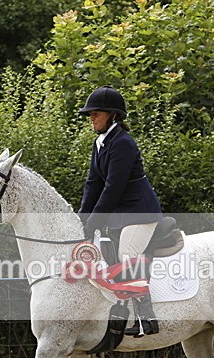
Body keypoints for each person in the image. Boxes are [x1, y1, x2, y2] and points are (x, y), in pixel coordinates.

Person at [77, 85, 163, 336]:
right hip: (121, 216)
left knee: (128, 253)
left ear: (113, 115)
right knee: (107, 254)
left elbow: (113, 188)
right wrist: (82, 218)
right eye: (90, 114)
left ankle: (147, 318)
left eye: (96, 114)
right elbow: (93, 183)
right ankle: (120, 309)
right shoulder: (101, 142)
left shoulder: (123, 143)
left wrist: (94, 220)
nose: (91, 118)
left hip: (140, 213)